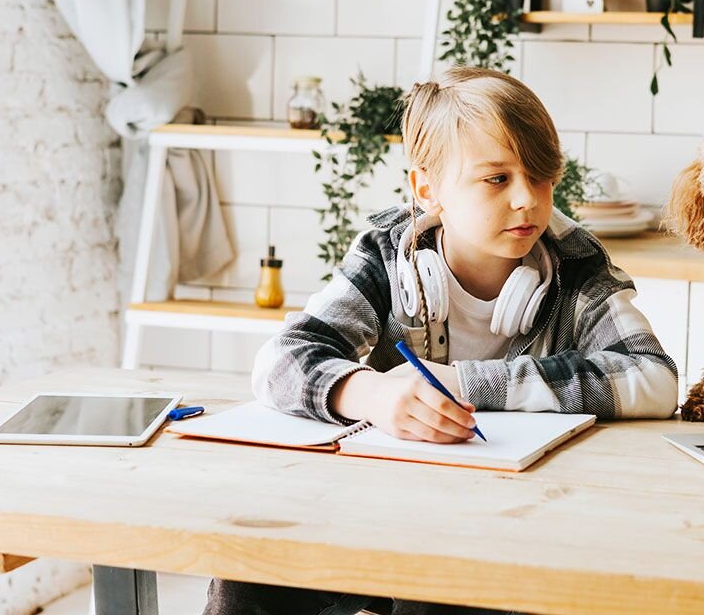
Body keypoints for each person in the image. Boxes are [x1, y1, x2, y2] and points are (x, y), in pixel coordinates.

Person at [204, 66, 678, 615]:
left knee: (444, 593)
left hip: (512, 524)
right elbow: (280, 361)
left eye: (542, 176)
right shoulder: (387, 252)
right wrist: (371, 394)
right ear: (427, 189)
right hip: (381, 508)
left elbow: (654, 377)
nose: (528, 199)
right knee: (247, 572)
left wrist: (463, 382)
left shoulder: (574, 262)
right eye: (496, 179)